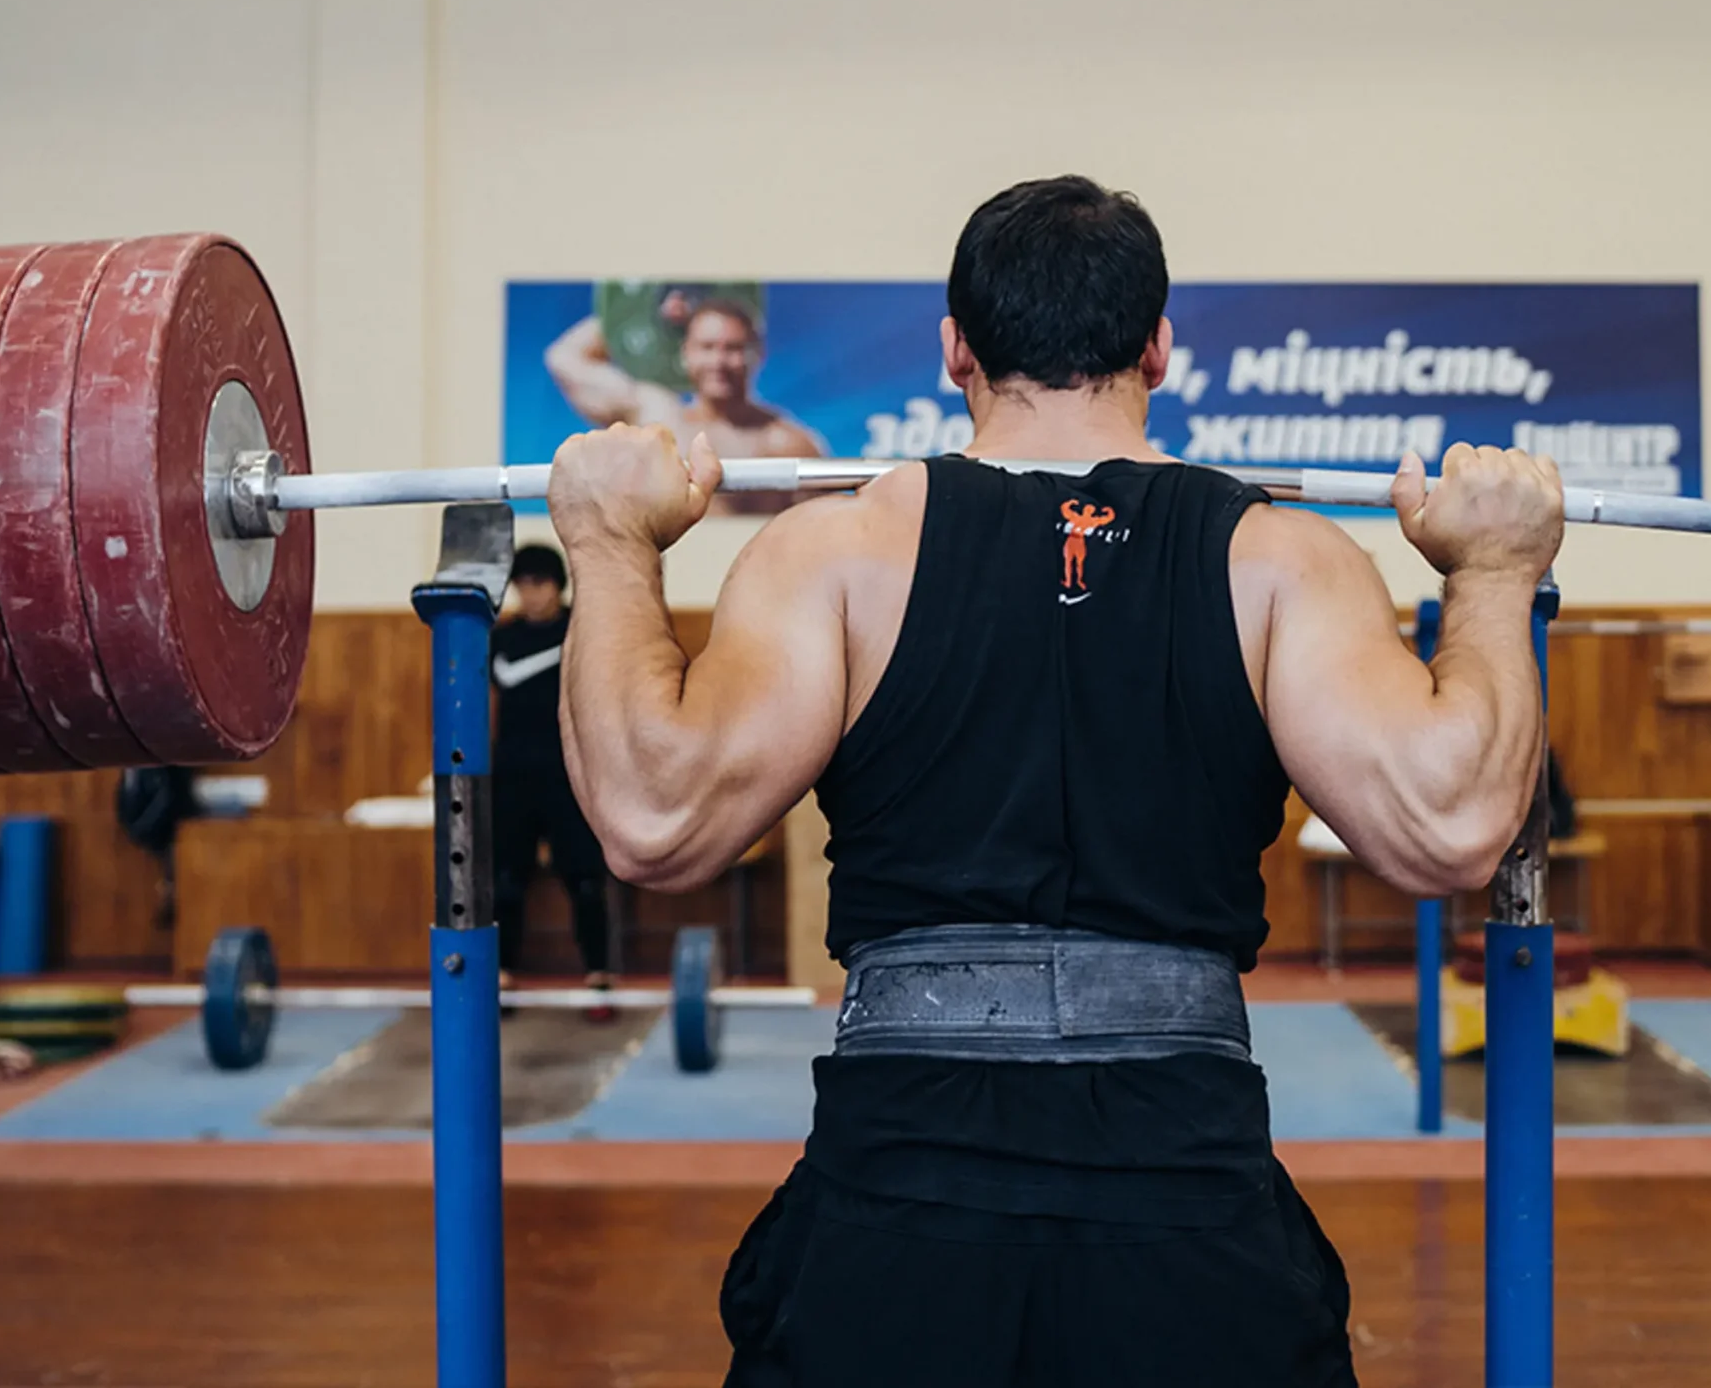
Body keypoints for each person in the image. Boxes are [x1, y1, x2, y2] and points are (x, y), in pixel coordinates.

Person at [546, 176, 1563, 1388]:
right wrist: (1496, 567)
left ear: (953, 350)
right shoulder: (1278, 560)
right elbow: (1452, 828)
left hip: (896, 1206)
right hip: (1182, 1213)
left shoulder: (838, 550)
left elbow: (652, 822)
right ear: (1158, 347)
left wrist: (609, 540)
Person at [490, 543, 619, 1021]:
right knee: (505, 881)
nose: (530, 594)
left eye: (539, 584)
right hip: (512, 778)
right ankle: (502, 977)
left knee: (585, 879)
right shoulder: (501, 640)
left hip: (571, 775)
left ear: (557, 586)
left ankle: (599, 979)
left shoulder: (581, 634)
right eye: (522, 585)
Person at [544, 294, 825, 514]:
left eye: (733, 348)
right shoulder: (657, 414)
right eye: (707, 347)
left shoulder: (788, 442)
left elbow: (818, 531)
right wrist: (651, 310)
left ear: (757, 354)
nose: (718, 362)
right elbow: (564, 358)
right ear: (685, 353)